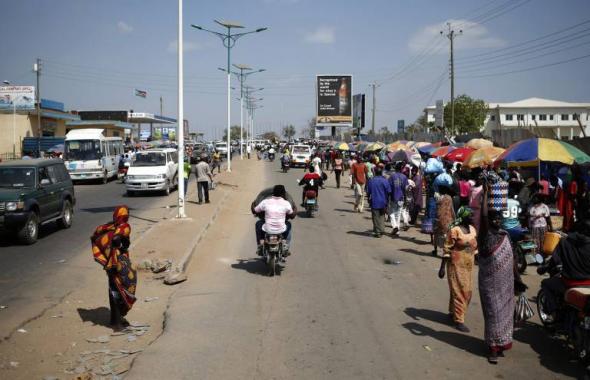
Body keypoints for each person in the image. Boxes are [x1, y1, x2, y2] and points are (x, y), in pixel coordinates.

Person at [478, 185, 520, 364]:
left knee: (506, 315)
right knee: (493, 313)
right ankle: (492, 348)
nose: (496, 221)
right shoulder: (485, 236)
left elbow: (513, 258)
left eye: (498, 218)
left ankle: (502, 344)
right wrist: (486, 194)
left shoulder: (505, 235)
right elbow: (484, 216)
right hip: (489, 283)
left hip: (507, 284)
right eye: (493, 218)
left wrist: (518, 278)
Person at [91, 206, 137, 331]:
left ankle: (115, 319)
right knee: (120, 290)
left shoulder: (108, 227)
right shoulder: (124, 227)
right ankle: (117, 323)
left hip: (109, 264)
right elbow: (117, 239)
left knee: (113, 289)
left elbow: (96, 237)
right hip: (118, 264)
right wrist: (119, 246)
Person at [539, 219, 590, 317]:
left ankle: (554, 311)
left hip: (570, 283)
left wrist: (544, 268)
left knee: (545, 283)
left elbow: (554, 261)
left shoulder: (564, 242)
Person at [438, 206, 478, 333]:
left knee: (466, 291)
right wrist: (442, 268)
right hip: (455, 266)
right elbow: (447, 249)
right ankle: (459, 320)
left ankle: (452, 312)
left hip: (469, 267)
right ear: (464, 216)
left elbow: (474, 247)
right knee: (460, 292)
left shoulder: (472, 229)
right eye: (470, 215)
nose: (473, 217)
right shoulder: (454, 230)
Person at [252, 185, 296, 256]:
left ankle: (260, 245)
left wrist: (253, 203)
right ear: (283, 194)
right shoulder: (286, 203)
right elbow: (292, 216)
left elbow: (255, 211)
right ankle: (286, 245)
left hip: (267, 229)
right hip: (281, 230)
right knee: (289, 224)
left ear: (273, 193)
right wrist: (294, 207)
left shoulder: (265, 202)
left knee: (258, 223)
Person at [367, 165, 391, 238]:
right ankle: (381, 229)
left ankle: (378, 231)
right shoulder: (385, 180)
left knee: (375, 217)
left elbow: (368, 192)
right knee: (382, 216)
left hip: (375, 201)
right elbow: (389, 191)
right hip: (383, 201)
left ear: (375, 172)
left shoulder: (371, 180)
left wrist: (368, 199)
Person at [433, 186, 455, 256]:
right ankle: (446, 251)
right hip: (448, 219)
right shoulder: (449, 198)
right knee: (446, 236)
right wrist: (454, 217)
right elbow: (452, 209)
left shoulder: (438, 198)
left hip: (439, 218)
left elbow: (436, 207)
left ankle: (435, 250)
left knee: (436, 234)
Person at [389, 162, 409, 235]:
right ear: (401, 169)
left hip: (393, 197)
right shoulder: (404, 177)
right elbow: (406, 188)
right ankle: (397, 231)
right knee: (398, 214)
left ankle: (395, 227)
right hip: (401, 197)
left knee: (391, 213)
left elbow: (389, 188)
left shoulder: (392, 176)